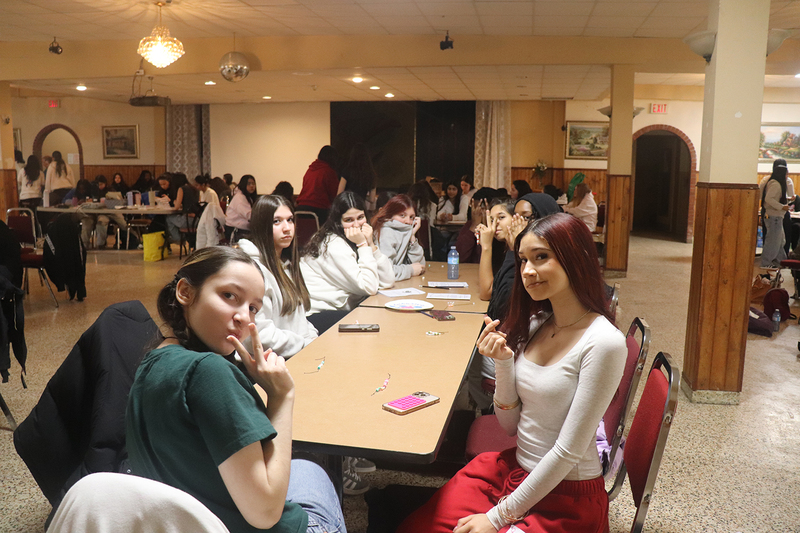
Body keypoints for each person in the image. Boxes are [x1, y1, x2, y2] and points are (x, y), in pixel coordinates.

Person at [399, 213, 627, 533]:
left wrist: (495, 518)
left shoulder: (604, 342)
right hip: (518, 472)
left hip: (566, 497)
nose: (528, 271)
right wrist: (504, 363)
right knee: (420, 526)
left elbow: (569, 450)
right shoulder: (537, 324)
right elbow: (509, 426)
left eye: (541, 257)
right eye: (522, 260)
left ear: (575, 258)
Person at [125, 247, 345, 533]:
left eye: (253, 308)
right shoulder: (210, 372)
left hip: (191, 522)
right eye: (230, 296)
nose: (244, 318)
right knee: (316, 474)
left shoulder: (154, 358)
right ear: (185, 292)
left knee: (307, 469)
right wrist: (282, 397)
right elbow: (264, 513)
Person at [469, 193, 561, 411]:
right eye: (516, 216)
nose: (518, 223)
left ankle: (482, 412)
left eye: (525, 217)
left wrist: (513, 250)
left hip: (523, 349)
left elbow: (501, 307)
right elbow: (490, 294)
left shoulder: (545, 264)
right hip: (519, 340)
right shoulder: (517, 254)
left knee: (465, 358)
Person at [299, 192, 394, 331]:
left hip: (338, 310)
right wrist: (362, 245)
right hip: (317, 316)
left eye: (361, 217)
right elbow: (369, 287)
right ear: (338, 222)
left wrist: (371, 245)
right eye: (349, 220)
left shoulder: (353, 239)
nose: (356, 225)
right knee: (377, 323)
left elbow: (388, 281)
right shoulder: (332, 244)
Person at [238, 195, 318, 359]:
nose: (287, 228)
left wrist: (313, 339)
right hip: (271, 362)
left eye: (290, 220)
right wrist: (303, 344)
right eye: (277, 221)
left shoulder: (286, 263)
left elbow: (299, 320)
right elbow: (259, 335)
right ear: (262, 226)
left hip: (294, 352)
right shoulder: (254, 271)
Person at [372, 194, 426, 281]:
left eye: (411, 217)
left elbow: (420, 266)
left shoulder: (404, 232)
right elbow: (385, 273)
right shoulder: (386, 233)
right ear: (389, 215)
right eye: (402, 215)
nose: (408, 221)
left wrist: (412, 237)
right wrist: (410, 270)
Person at [296, 146, 339, 223]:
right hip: (319, 209)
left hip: (301, 208)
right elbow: (335, 194)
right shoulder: (328, 171)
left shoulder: (310, 170)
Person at [761, 158, 791, 268]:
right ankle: (766, 263)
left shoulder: (776, 184)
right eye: (786, 174)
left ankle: (782, 261)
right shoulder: (775, 184)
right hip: (774, 217)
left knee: (780, 241)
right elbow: (768, 199)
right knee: (773, 242)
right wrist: (782, 207)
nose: (787, 176)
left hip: (777, 216)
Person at [338, 143, 378, 212]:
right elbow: (372, 199)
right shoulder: (371, 174)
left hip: (347, 206)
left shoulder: (347, 170)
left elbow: (339, 194)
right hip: (361, 207)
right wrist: (362, 196)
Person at [225, 175, 258, 243]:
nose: (252, 186)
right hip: (236, 230)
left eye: (253, 183)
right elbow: (249, 215)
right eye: (249, 184)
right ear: (244, 184)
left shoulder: (248, 197)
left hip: (243, 229)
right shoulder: (239, 198)